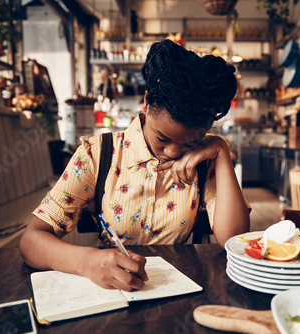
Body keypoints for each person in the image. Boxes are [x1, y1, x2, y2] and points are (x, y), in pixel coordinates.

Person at [19, 39, 250, 292]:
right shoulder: (97, 154)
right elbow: (31, 241)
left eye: (190, 141)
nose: (172, 152)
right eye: (163, 137)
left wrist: (220, 150)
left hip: (179, 294)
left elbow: (234, 240)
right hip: (110, 291)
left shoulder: (204, 160)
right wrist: (86, 262)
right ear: (147, 102)